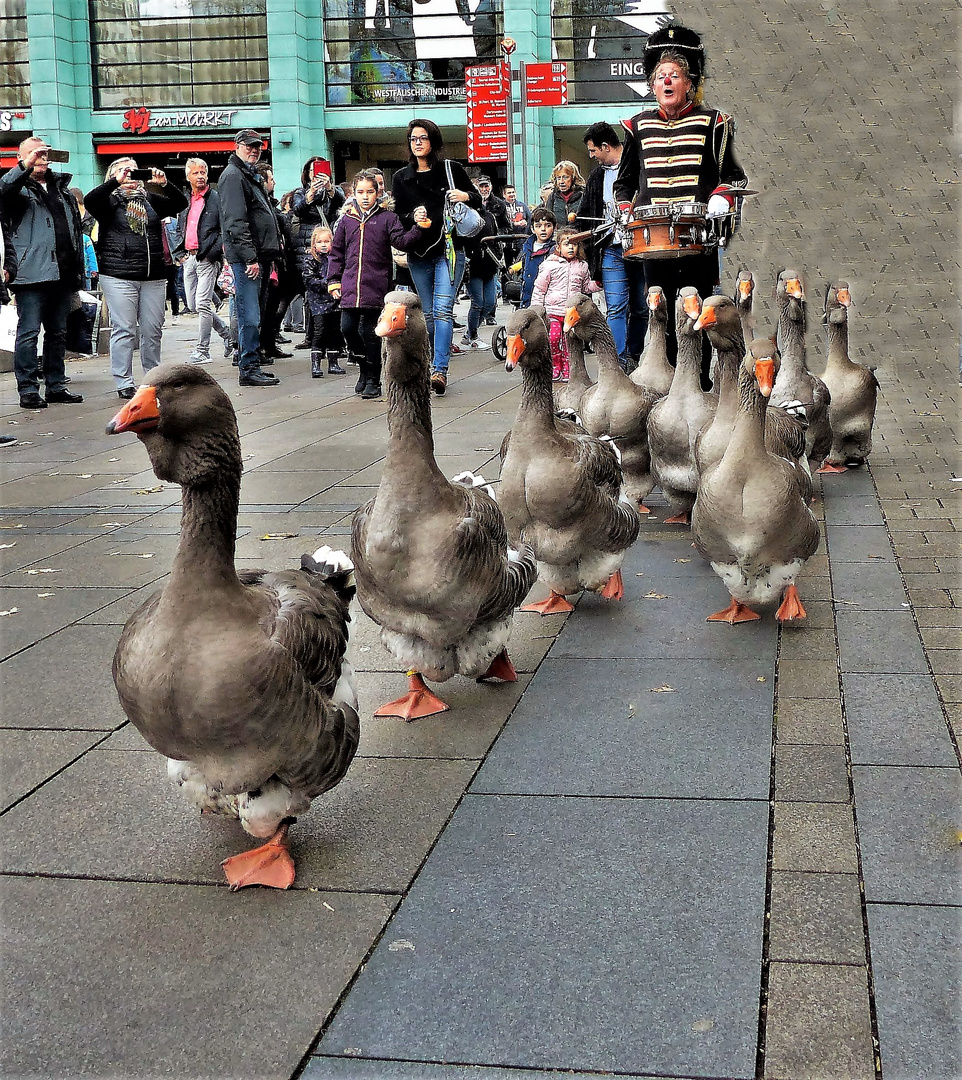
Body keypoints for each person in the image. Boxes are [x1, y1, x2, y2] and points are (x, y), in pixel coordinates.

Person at [614, 23, 747, 386]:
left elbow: (734, 175)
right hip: (653, 240)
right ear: (652, 85)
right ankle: (668, 387)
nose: (667, 82)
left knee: (700, 313)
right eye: (660, 77)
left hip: (698, 238)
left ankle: (702, 385)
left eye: (675, 75)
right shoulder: (636, 126)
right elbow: (624, 183)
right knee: (659, 314)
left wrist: (721, 195)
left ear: (689, 82)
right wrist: (626, 210)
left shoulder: (713, 122)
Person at [391, 117, 483, 395]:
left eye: (423, 138)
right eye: (413, 139)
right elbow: (398, 217)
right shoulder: (401, 177)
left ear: (433, 141)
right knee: (429, 314)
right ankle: (430, 362)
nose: (418, 143)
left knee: (443, 311)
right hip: (419, 252)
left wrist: (465, 196)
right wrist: (412, 216)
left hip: (449, 250)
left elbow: (477, 199)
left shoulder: (450, 169)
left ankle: (439, 370)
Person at [84, 156, 187, 400]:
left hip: (153, 275)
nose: (129, 175)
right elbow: (90, 200)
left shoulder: (150, 200)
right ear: (112, 176)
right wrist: (114, 184)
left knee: (153, 330)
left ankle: (153, 377)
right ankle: (124, 381)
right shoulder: (108, 202)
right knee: (125, 328)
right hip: (119, 274)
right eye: (123, 171)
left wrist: (163, 183)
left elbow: (180, 203)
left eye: (133, 171)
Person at [0, 138, 86, 409]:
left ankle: (56, 385)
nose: (41, 158)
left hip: (63, 271)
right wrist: (23, 167)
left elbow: (74, 229)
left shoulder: (62, 188)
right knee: (28, 333)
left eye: (44, 154)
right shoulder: (16, 187)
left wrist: (78, 271)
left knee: (58, 332)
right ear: (21, 157)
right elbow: (3, 190)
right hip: (30, 272)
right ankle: (28, 390)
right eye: (34, 154)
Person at [327, 169, 423, 399]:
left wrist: (419, 228)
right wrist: (333, 280)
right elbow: (336, 252)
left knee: (370, 333)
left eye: (370, 191)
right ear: (353, 193)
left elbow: (401, 240)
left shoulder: (387, 218)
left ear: (378, 193)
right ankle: (363, 368)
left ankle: (373, 377)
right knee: (347, 329)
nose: (365, 196)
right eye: (360, 192)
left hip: (375, 285)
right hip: (350, 285)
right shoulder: (346, 221)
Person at [578, 121, 647, 370]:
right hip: (610, 248)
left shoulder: (638, 167)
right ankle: (617, 362)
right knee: (616, 306)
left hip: (640, 248)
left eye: (593, 150)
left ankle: (634, 355)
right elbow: (585, 214)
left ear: (605, 146)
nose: (592, 155)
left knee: (640, 307)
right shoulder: (596, 176)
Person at [218, 129, 283, 387]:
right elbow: (235, 221)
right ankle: (248, 367)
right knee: (249, 315)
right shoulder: (234, 176)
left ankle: (251, 364)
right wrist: (249, 258)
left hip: (259, 255)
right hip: (249, 258)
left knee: (254, 313)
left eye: (258, 146)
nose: (254, 150)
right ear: (237, 146)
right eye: (249, 146)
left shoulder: (247, 174)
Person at [171, 157, 230, 365]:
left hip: (207, 257)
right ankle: (227, 334)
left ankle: (202, 349)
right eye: (195, 173)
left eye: (203, 172)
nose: (200, 176)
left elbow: (224, 228)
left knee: (203, 303)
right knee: (194, 304)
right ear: (188, 176)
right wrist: (179, 253)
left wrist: (213, 253)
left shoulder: (216, 198)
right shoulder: (186, 200)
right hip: (189, 257)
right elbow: (181, 226)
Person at [531, 226, 600, 382]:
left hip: (572, 313)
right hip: (553, 311)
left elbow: (586, 287)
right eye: (566, 244)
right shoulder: (550, 265)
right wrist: (537, 308)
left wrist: (598, 284)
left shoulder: (582, 266)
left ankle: (569, 368)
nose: (570, 247)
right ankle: (555, 365)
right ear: (558, 247)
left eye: (574, 244)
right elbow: (540, 288)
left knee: (570, 342)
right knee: (554, 338)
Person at [290, 157, 345, 349]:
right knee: (310, 293)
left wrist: (329, 188)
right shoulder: (300, 192)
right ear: (307, 173)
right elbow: (297, 210)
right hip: (308, 247)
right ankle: (311, 336)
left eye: (320, 170)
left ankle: (331, 338)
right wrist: (310, 194)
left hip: (330, 245)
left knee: (332, 288)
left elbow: (341, 205)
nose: (316, 173)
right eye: (313, 170)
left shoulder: (333, 191)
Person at [301, 225, 346, 378]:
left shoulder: (335, 259)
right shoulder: (310, 260)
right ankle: (316, 364)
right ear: (314, 244)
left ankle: (333, 363)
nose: (324, 244)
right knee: (319, 331)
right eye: (320, 242)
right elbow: (309, 280)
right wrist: (328, 283)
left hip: (334, 300)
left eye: (327, 241)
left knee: (335, 331)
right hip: (318, 302)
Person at [460, 204, 499, 351]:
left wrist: (497, 256)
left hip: (489, 265)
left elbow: (495, 237)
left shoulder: (489, 216)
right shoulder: (465, 216)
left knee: (489, 302)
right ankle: (473, 336)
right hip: (473, 267)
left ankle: (469, 332)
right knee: (477, 303)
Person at [514, 207, 556, 307]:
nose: (543, 229)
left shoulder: (554, 250)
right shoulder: (527, 247)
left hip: (545, 300)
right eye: (538, 226)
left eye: (548, 225)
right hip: (526, 298)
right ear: (532, 229)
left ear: (554, 227)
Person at [545, 161, 586, 226]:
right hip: (559, 234)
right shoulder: (553, 197)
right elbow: (548, 220)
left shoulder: (583, 195)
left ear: (573, 178)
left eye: (565, 177)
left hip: (579, 234)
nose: (561, 182)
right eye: (558, 178)